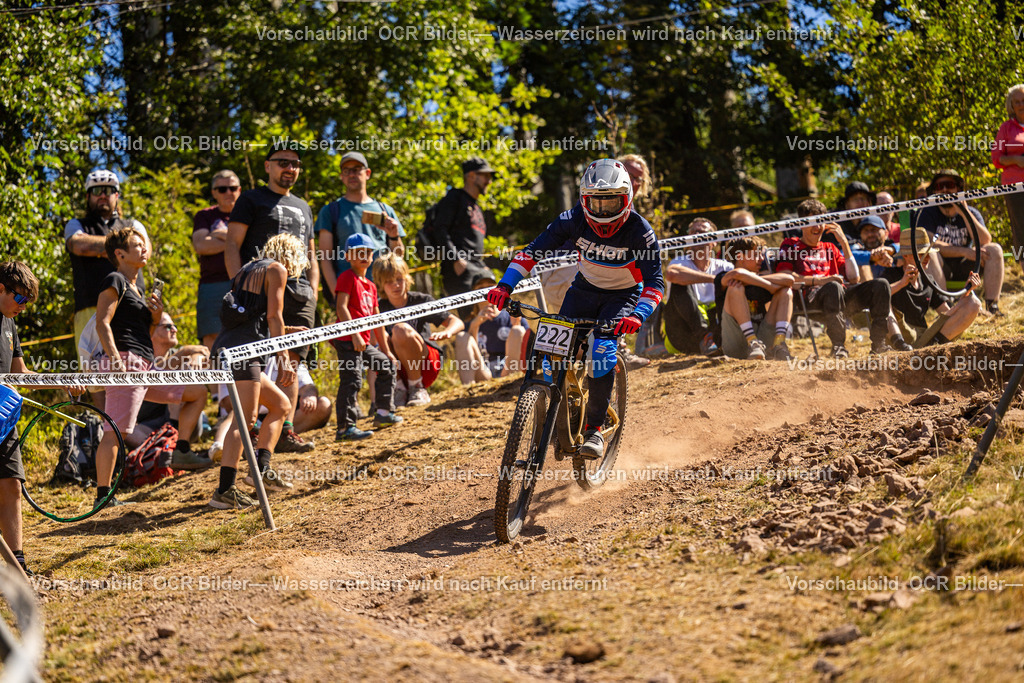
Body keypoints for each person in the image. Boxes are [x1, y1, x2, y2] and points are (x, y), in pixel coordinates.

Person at [487, 158, 664, 460]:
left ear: (627, 199)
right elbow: (532, 252)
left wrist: (638, 315)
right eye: (596, 202)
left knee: (601, 349)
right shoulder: (571, 219)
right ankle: (559, 406)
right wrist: (505, 286)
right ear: (584, 199)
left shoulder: (640, 231)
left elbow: (655, 284)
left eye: (611, 203)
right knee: (551, 351)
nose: (603, 211)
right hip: (584, 290)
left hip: (623, 296)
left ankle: (594, 428)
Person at [92, 228, 211, 507]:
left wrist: (156, 315)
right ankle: (103, 496)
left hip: (146, 365)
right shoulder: (115, 280)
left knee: (197, 392)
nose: (144, 248)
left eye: (143, 244)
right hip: (126, 362)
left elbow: (143, 331)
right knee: (115, 430)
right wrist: (116, 361)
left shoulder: (139, 289)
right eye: (137, 245)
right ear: (120, 254)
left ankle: (182, 450)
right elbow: (102, 322)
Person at [227, 143, 318, 453]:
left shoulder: (304, 206)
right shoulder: (250, 199)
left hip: (301, 293)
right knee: (257, 361)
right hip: (260, 290)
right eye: (283, 162)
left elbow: (311, 253)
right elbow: (232, 244)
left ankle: (285, 432)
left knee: (291, 361)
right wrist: (239, 286)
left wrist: (313, 288)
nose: (290, 168)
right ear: (267, 165)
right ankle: (250, 433)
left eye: (295, 164)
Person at [209, 233, 308, 509]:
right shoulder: (276, 269)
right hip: (244, 353)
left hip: (234, 347)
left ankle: (261, 470)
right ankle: (225, 490)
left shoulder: (247, 269)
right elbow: (274, 316)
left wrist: (287, 330)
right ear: (291, 255)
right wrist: (283, 357)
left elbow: (252, 318)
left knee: (281, 405)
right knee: (247, 419)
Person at [0, 262, 84, 575]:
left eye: (28, 302)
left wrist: (61, 381)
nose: (23, 306)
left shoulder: (10, 324)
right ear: (1, 288)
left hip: (4, 418)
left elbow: (20, 374)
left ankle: (17, 564)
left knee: (12, 483)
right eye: (19, 298)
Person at [776, 199, 909, 357]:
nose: (817, 227)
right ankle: (838, 347)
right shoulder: (791, 244)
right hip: (811, 297)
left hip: (841, 297)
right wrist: (821, 281)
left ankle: (879, 345)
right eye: (812, 222)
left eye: (820, 221)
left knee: (881, 284)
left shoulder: (830, 247)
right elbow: (785, 276)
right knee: (833, 287)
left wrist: (844, 243)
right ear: (802, 224)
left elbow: (854, 278)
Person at [65, 170, 151, 405]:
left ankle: (132, 425)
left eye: (109, 190)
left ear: (117, 195)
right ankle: (107, 425)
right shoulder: (76, 224)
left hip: (132, 309)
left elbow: (146, 250)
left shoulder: (133, 223)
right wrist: (121, 245)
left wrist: (100, 248)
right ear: (87, 196)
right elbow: (78, 245)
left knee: (137, 366)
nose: (103, 195)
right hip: (90, 307)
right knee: (95, 375)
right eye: (96, 190)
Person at [334, 233, 403, 441]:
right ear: (348, 256)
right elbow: (341, 307)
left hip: (363, 342)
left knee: (387, 365)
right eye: (358, 252)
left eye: (367, 252)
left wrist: (387, 351)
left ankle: (383, 413)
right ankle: (345, 428)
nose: (364, 256)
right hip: (348, 340)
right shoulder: (347, 277)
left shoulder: (371, 286)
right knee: (352, 380)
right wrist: (354, 334)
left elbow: (377, 320)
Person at [373, 253, 463, 406]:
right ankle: (398, 390)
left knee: (400, 329)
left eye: (399, 279)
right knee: (379, 339)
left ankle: (417, 387)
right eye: (389, 281)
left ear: (406, 278)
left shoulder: (421, 300)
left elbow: (456, 322)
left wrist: (447, 331)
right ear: (380, 284)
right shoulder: (378, 307)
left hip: (426, 365)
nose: (395, 285)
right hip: (397, 368)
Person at [316, 152, 405, 300]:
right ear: (341, 176)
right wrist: (338, 296)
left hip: (385, 294)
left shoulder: (385, 210)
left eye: (356, 169)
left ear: (367, 173)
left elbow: (399, 256)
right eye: (346, 171)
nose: (352, 174)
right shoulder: (330, 211)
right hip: (351, 296)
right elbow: (325, 258)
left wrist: (394, 235)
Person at [914, 169, 1005, 316]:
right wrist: (965, 251)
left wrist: (964, 212)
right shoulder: (927, 212)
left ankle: (992, 306)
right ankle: (947, 309)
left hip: (967, 268)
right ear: (934, 191)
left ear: (958, 189)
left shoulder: (971, 212)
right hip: (941, 266)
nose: (944, 190)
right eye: (939, 186)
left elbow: (985, 240)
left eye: (949, 185)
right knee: (929, 252)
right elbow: (929, 243)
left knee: (994, 249)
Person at [881, 229, 983, 347]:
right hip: (900, 336)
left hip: (922, 338)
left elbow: (947, 313)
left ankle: (932, 348)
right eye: (921, 254)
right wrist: (901, 283)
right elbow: (877, 296)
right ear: (906, 256)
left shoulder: (927, 280)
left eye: (928, 253)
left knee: (973, 303)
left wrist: (966, 293)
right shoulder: (891, 275)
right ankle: (900, 344)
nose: (927, 258)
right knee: (883, 301)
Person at [126, 313, 211, 449]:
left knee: (186, 366)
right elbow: (154, 373)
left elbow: (204, 352)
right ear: (150, 331)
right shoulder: (140, 359)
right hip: (153, 427)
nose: (174, 330)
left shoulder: (179, 355)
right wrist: (185, 352)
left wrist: (196, 356)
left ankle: (180, 444)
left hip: (185, 425)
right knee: (127, 432)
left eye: (174, 326)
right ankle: (163, 451)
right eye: (168, 326)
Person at [714, 237, 795, 361]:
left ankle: (779, 344)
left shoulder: (760, 278)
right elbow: (737, 274)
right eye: (756, 255)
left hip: (764, 341)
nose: (761, 259)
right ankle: (752, 342)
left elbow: (789, 279)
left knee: (785, 291)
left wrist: (757, 280)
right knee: (735, 287)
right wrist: (769, 286)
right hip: (735, 343)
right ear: (740, 256)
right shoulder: (724, 276)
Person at [662, 218, 733, 356]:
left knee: (733, 287)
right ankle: (705, 337)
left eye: (702, 232)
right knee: (678, 282)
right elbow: (672, 274)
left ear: (714, 241)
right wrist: (716, 280)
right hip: (683, 334)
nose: (696, 235)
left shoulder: (725, 266)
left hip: (716, 329)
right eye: (692, 232)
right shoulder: (679, 262)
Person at [193, 169, 241, 350]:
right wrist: (235, 240)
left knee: (245, 336)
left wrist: (220, 234)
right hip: (211, 285)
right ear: (214, 192)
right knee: (212, 339)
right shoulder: (204, 215)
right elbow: (201, 246)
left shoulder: (247, 214)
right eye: (222, 189)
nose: (228, 192)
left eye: (232, 188)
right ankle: (215, 370)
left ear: (239, 190)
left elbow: (251, 245)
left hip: (244, 283)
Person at [435, 157, 496, 296]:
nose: (489, 181)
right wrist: (456, 259)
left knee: (492, 305)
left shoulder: (476, 206)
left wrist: (481, 265)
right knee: (469, 310)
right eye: (486, 176)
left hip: (476, 267)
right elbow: (440, 229)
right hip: (459, 271)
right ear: (471, 176)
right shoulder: (454, 198)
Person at [455, 273, 531, 385]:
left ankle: (515, 383)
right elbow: (471, 355)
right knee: (462, 337)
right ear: (474, 293)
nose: (486, 291)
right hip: (483, 372)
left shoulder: (510, 315)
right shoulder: (469, 322)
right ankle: (468, 388)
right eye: (480, 288)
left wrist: (516, 324)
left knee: (518, 330)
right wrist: (475, 325)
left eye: (489, 287)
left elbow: (528, 346)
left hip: (508, 368)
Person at [992, 84, 1024, 268]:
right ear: (1011, 105)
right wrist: (1016, 160)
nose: (1021, 105)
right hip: (1015, 186)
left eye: (1023, 101)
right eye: (1017, 102)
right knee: (1020, 229)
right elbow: (996, 158)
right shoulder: (1006, 128)